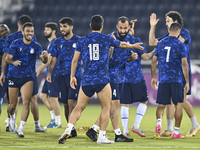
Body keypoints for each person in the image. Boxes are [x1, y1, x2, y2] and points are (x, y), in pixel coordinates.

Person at [55, 14, 144, 144]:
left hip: (87, 80)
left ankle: (68, 129)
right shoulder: (106, 39)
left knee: (78, 107)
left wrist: (72, 76)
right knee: (106, 108)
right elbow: (122, 45)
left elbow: (75, 60)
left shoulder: (82, 40)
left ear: (91, 26)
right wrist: (133, 47)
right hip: (102, 80)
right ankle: (102, 136)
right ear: (102, 26)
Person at [85, 16, 145, 143]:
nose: (123, 30)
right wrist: (110, 51)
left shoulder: (130, 39)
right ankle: (118, 134)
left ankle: (94, 129)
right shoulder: (109, 38)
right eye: (121, 28)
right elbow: (105, 58)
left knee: (111, 106)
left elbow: (126, 58)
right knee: (114, 105)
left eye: (125, 28)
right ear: (117, 27)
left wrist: (132, 57)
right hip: (110, 75)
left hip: (120, 76)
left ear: (128, 27)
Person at [149, 11, 200, 137]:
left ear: (175, 22)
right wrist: (152, 26)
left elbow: (176, 44)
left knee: (180, 100)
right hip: (171, 73)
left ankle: (194, 125)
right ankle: (171, 128)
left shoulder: (184, 33)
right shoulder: (168, 36)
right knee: (171, 101)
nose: (166, 23)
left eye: (168, 20)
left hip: (181, 72)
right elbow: (152, 42)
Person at [0, 15, 47, 133]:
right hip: (15, 74)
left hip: (26, 75)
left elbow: (38, 53)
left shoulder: (12, 38)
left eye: (32, 31)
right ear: (24, 30)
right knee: (19, 102)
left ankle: (17, 125)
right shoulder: (15, 41)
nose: (30, 33)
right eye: (28, 30)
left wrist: (2, 72)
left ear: (18, 24)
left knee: (23, 101)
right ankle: (27, 123)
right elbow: (7, 57)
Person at [151, 23, 189, 139]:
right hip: (176, 80)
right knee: (178, 105)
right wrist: (186, 81)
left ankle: (158, 125)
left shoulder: (161, 43)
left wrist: (153, 77)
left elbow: (153, 62)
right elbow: (184, 64)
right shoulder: (180, 44)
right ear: (179, 31)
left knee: (161, 105)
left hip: (163, 79)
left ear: (169, 30)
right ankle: (176, 133)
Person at [46, 17, 82, 137]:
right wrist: (50, 73)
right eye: (61, 26)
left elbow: (84, 58)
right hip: (61, 76)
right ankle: (71, 129)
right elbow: (54, 60)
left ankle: (70, 129)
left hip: (75, 77)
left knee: (72, 103)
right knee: (66, 104)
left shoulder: (79, 40)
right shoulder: (57, 42)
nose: (62, 29)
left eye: (65, 26)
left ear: (71, 27)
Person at [120, 21, 155, 138]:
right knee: (144, 101)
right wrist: (157, 50)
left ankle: (125, 131)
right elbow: (146, 57)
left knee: (125, 104)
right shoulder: (136, 41)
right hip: (137, 78)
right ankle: (136, 125)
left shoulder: (119, 42)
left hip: (123, 78)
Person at [36, 22, 61, 128]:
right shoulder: (51, 43)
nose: (45, 31)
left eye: (47, 29)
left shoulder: (55, 42)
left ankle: (58, 122)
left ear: (53, 31)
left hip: (54, 73)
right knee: (42, 96)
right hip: (49, 73)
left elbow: (49, 60)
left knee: (53, 97)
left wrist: (38, 70)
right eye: (45, 29)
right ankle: (53, 118)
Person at [0, 24, 10, 119]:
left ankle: (10, 123)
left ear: (9, 29)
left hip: (12, 75)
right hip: (2, 75)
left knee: (12, 102)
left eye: (5, 30)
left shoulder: (14, 41)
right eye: (2, 31)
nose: (4, 32)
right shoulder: (0, 42)